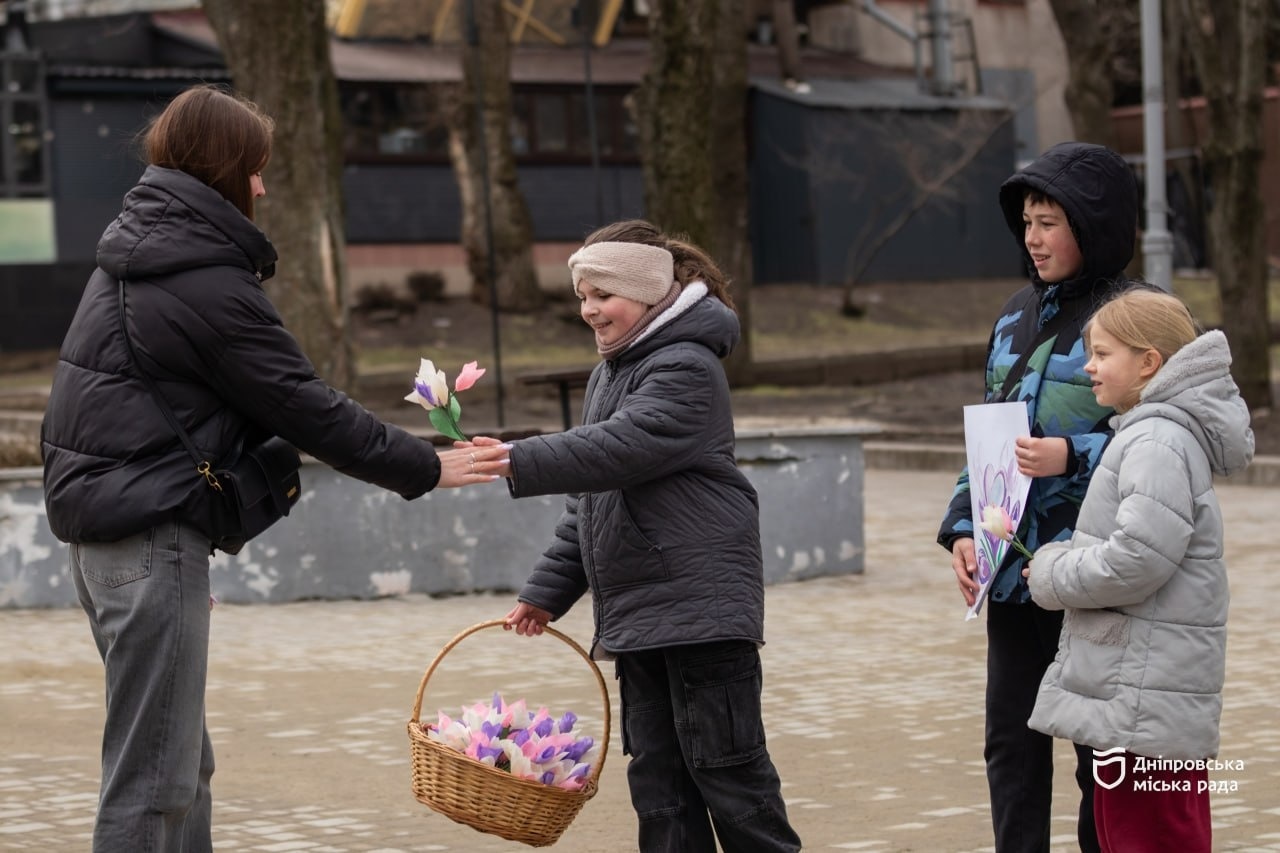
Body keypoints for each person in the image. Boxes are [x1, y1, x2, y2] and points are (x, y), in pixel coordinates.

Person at [39, 84, 508, 853]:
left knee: (180, 762)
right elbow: (303, 403)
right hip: (147, 537)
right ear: (223, 169)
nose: (261, 186)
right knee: (154, 778)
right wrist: (423, 464)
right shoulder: (202, 280)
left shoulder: (131, 259)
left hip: (111, 540)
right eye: (255, 168)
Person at [469, 220, 802, 852]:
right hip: (644, 612)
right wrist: (547, 589)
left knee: (730, 778)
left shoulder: (685, 366)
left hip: (700, 611)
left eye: (603, 295)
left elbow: (623, 448)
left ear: (648, 292)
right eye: (582, 296)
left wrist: (519, 457)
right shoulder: (612, 372)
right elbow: (593, 497)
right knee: (659, 787)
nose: (589, 311)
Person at [936, 141, 1139, 853]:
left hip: (1096, 573)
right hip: (1013, 570)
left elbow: (1173, 441)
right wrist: (964, 526)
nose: (1033, 236)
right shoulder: (1015, 314)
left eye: (1050, 220)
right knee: (1010, 744)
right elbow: (990, 430)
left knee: (1098, 752)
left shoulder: (1139, 316)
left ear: (1096, 223)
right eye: (1027, 220)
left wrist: (1070, 454)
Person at [1023, 288, 1253, 852]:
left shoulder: (1156, 439)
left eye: (1102, 354)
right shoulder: (1148, 432)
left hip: (1146, 700)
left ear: (1149, 362)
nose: (1089, 367)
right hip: (1136, 695)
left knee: (1151, 837)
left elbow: (1138, 559)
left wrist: (1053, 573)